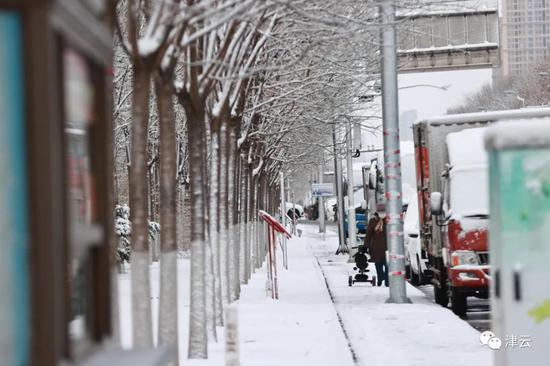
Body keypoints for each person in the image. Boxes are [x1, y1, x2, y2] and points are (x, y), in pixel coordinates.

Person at [364, 205, 388, 287]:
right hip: (376, 248)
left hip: (388, 248)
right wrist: (365, 246)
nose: (382, 214)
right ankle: (380, 278)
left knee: (387, 265)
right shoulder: (373, 221)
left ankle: (387, 281)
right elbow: (368, 235)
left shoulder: (389, 221)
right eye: (380, 212)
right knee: (378, 265)